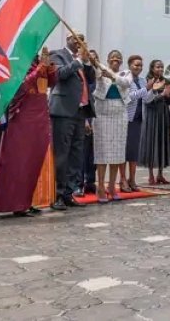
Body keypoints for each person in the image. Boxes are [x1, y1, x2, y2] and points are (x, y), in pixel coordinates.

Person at [0, 48, 57, 216]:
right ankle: (17, 203)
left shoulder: (37, 62)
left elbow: (51, 83)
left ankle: (31, 200)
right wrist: (40, 68)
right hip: (23, 117)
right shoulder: (17, 62)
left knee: (36, 159)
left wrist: (49, 69)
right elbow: (21, 86)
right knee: (21, 161)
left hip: (40, 114)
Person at [48, 33, 96, 210]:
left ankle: (69, 192)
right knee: (62, 154)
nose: (78, 41)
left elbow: (90, 80)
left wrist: (88, 62)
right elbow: (59, 74)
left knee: (76, 155)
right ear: (67, 39)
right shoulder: (57, 54)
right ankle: (58, 194)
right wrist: (78, 62)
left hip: (81, 111)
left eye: (82, 38)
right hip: (63, 110)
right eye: (74, 38)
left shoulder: (81, 59)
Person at [92, 50, 132, 202]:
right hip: (102, 113)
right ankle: (101, 186)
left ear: (121, 61)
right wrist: (97, 64)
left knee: (117, 152)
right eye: (112, 58)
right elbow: (95, 74)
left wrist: (112, 76)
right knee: (102, 151)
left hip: (119, 114)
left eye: (118, 58)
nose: (115, 60)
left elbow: (126, 83)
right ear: (107, 60)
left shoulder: (125, 73)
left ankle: (112, 186)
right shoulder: (100, 69)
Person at [138, 59, 170, 185]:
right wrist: (162, 94)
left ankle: (160, 174)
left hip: (163, 115)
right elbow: (147, 101)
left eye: (162, 67)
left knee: (162, 142)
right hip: (151, 116)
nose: (160, 69)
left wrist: (169, 95)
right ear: (152, 68)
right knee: (151, 143)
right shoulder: (147, 81)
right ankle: (150, 175)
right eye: (158, 67)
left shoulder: (166, 81)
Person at [75, 50, 100, 198]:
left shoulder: (98, 77)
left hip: (99, 118)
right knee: (82, 153)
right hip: (85, 117)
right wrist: (85, 120)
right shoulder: (81, 76)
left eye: (94, 58)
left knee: (94, 154)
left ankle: (90, 181)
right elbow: (82, 98)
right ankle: (78, 184)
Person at [121, 55, 146, 192]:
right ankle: (123, 179)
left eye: (141, 65)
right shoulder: (125, 77)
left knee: (134, 152)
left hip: (138, 119)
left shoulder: (142, 80)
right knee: (125, 151)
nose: (139, 68)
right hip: (127, 118)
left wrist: (153, 90)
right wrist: (145, 89)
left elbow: (146, 98)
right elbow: (128, 98)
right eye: (136, 65)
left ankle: (132, 179)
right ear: (130, 65)